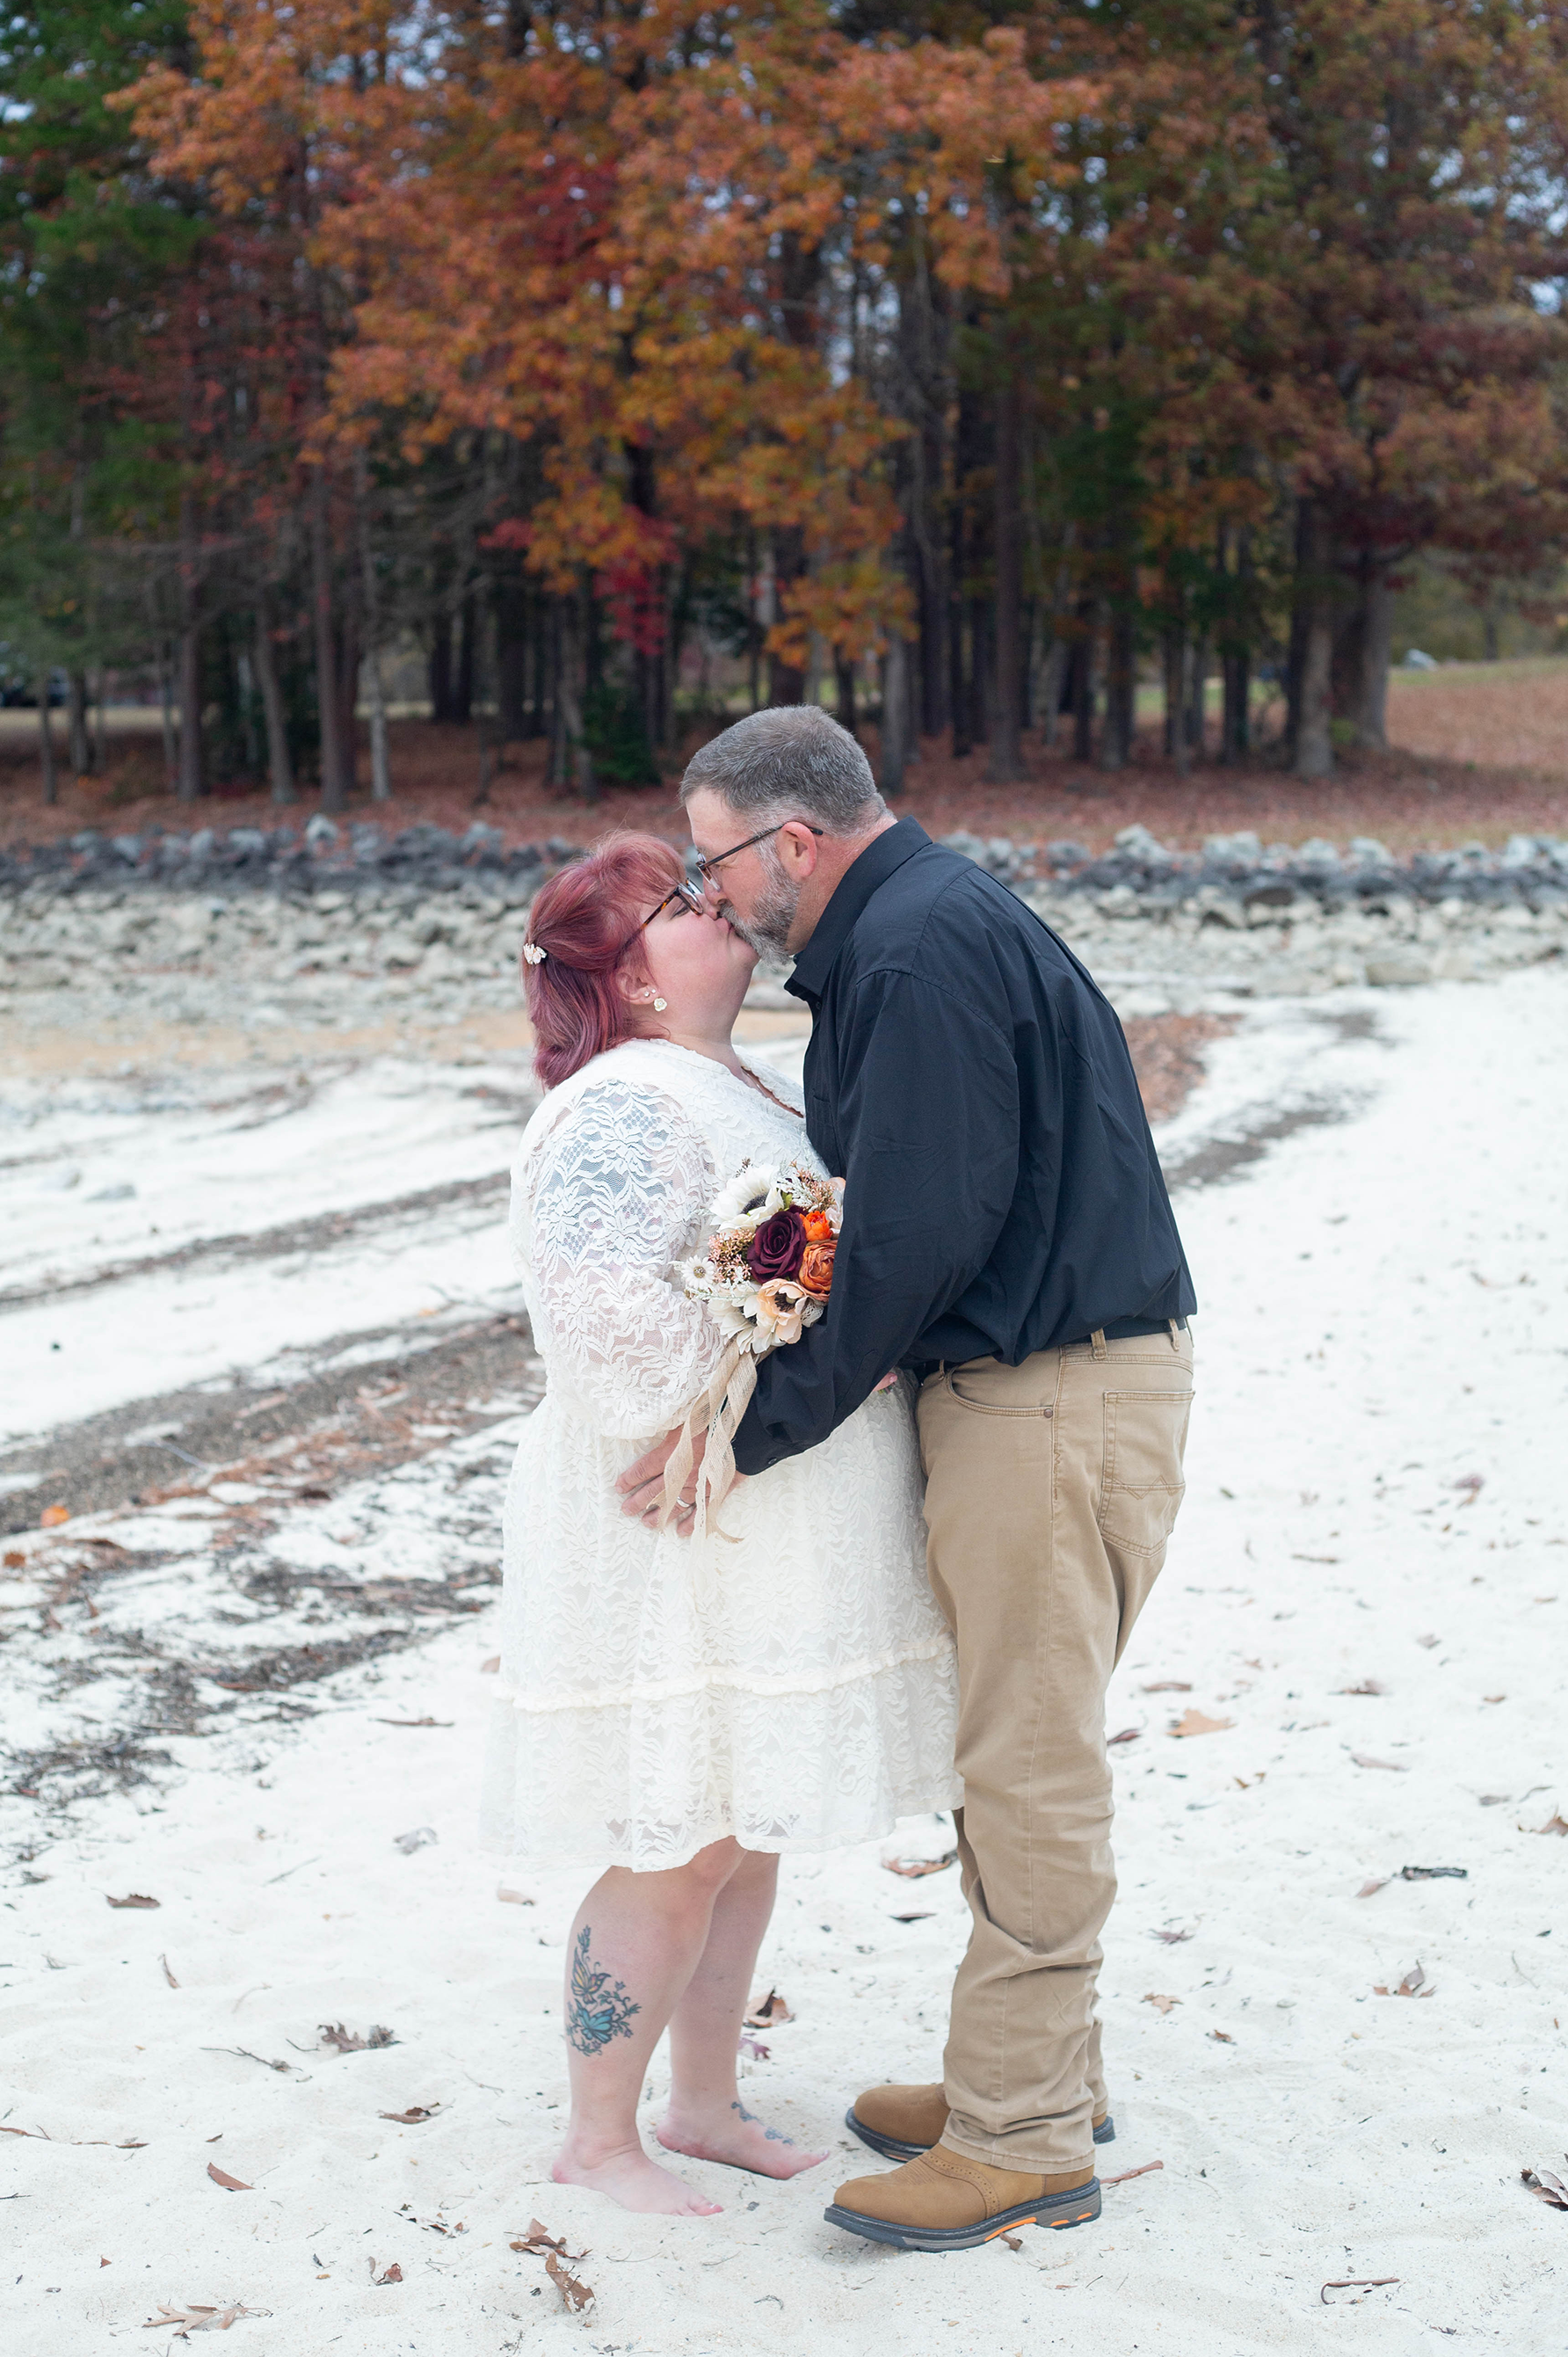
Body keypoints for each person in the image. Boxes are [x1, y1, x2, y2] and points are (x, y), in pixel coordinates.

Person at [618, 708, 1196, 2252]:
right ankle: (1030, 2081)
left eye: (715, 855)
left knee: (1026, 1763)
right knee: (1008, 1747)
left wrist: (752, 1426)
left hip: (1050, 1397)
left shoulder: (914, 951)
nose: (711, 891)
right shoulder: (925, 925)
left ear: (791, 842)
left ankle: (1021, 2140)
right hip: (1051, 1388)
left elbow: (916, 1232)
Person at [483, 830, 959, 2218]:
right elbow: (607, 1323)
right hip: (677, 1522)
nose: (721, 907)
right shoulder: (623, 1102)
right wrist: (761, 1376)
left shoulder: (725, 1079)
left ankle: (698, 2102)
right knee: (673, 1831)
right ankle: (597, 2138)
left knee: (745, 1823)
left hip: (761, 1506)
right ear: (629, 979)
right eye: (681, 903)